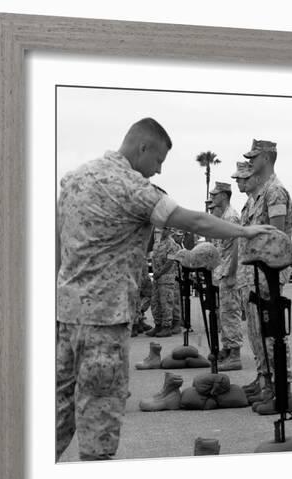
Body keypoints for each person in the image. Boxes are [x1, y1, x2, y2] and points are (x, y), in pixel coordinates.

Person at [56, 118, 274, 461]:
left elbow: (59, 245)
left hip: (66, 316)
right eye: (158, 161)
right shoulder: (130, 187)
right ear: (143, 147)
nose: (157, 172)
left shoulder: (72, 180)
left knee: (58, 406)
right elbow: (194, 221)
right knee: (100, 412)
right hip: (104, 319)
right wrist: (245, 233)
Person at [239, 139, 292, 415]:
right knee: (260, 333)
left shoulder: (275, 192)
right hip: (255, 274)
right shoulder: (261, 194)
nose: (250, 161)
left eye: (254, 157)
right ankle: (268, 386)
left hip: (268, 275)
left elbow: (276, 238)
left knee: (272, 335)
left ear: (268, 157)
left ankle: (283, 393)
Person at [209, 181, 243, 370]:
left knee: (231, 314)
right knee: (225, 313)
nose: (213, 198)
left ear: (224, 195)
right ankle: (228, 350)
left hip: (230, 273)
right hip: (223, 272)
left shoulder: (231, 217)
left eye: (215, 195)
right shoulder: (225, 217)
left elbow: (238, 246)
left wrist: (231, 272)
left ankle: (235, 355)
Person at [146, 227, 181, 337]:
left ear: (171, 231)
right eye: (163, 229)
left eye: (167, 229)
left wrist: (160, 272)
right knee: (155, 302)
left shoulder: (172, 244)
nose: (164, 231)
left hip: (166, 278)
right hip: (157, 278)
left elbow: (170, 261)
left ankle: (166, 327)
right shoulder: (157, 242)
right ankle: (158, 325)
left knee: (166, 303)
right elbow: (153, 257)